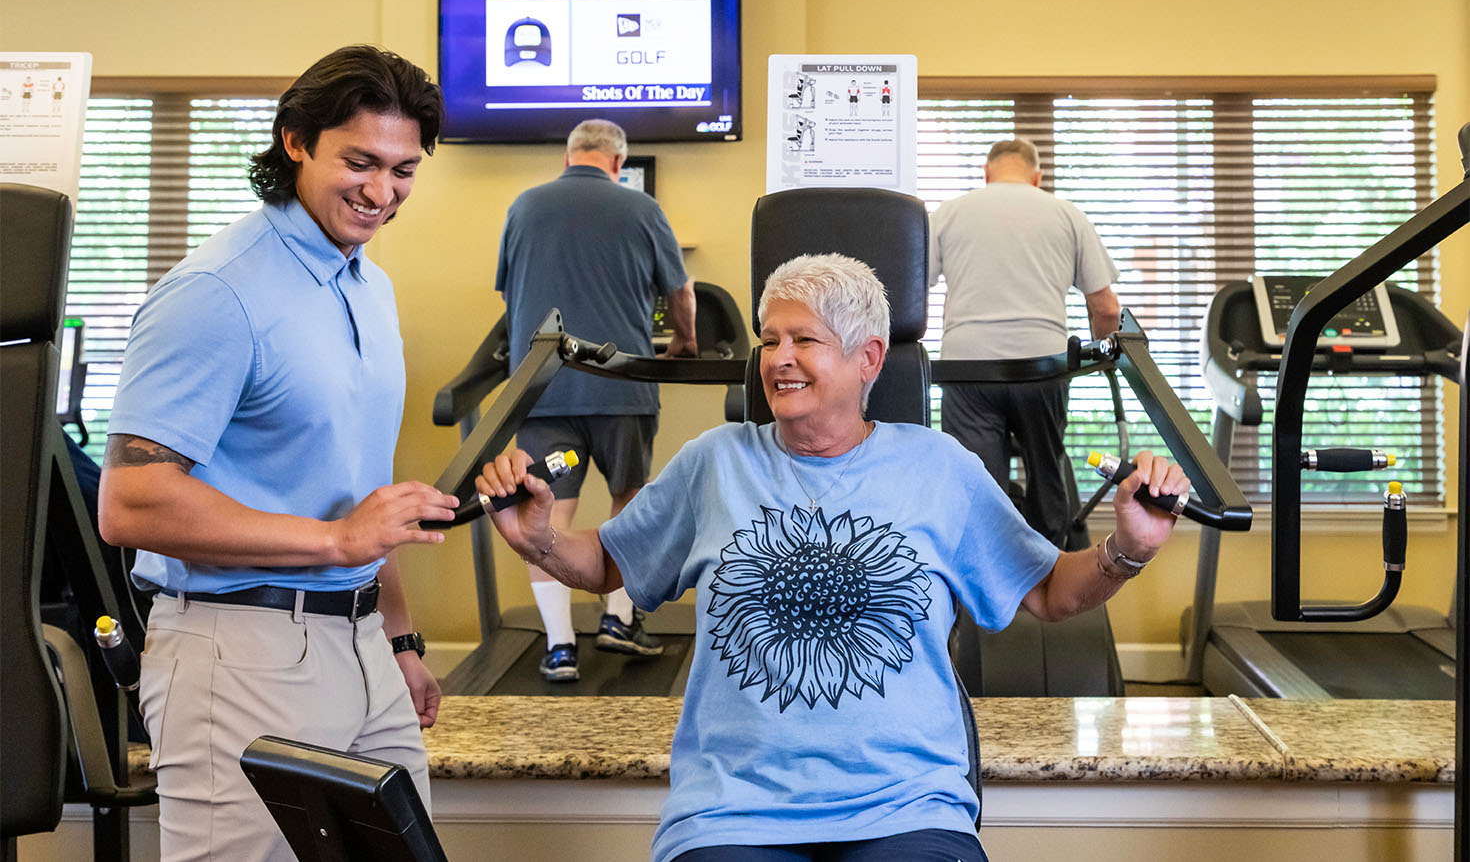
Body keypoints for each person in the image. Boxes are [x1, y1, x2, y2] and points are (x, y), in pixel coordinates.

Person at [478, 253, 1189, 862]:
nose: (779, 358)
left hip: (907, 805)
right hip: (734, 808)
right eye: (771, 340)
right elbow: (607, 563)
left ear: (869, 358)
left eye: (805, 341)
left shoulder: (940, 467)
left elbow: (1049, 593)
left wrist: (1127, 549)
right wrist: (539, 537)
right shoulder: (714, 463)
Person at [97, 45, 455, 862]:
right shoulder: (217, 291)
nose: (381, 192)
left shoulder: (368, 283)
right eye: (359, 162)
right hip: (243, 647)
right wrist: (336, 542)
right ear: (296, 141)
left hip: (361, 645)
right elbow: (132, 502)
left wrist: (397, 642)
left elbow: (359, 491)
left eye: (403, 170)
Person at [495, 117, 697, 682]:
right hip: (622, 390)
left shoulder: (524, 206)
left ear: (569, 157)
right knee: (629, 501)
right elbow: (680, 290)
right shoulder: (642, 209)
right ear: (617, 162)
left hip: (542, 392)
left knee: (546, 511)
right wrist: (685, 342)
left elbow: (513, 297)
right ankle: (618, 620)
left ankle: (559, 646)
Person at [928, 136, 1123, 546]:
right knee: (1047, 473)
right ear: (1037, 177)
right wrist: (1105, 358)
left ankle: (985, 593)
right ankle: (1050, 575)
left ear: (987, 173)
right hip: (1042, 369)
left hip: (967, 370)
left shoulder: (948, 213)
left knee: (976, 487)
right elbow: (1105, 308)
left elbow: (910, 291)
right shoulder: (1066, 214)